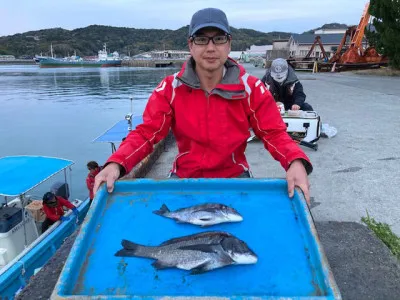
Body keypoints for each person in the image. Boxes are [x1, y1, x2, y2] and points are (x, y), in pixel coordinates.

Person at [93, 8, 313, 203]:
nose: (210, 47)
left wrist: (295, 161)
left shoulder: (251, 88)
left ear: (229, 44)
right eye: (201, 39)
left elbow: (273, 133)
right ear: (190, 44)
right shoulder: (169, 89)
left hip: (234, 176)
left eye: (218, 39)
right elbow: (147, 133)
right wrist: (116, 163)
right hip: (185, 176)